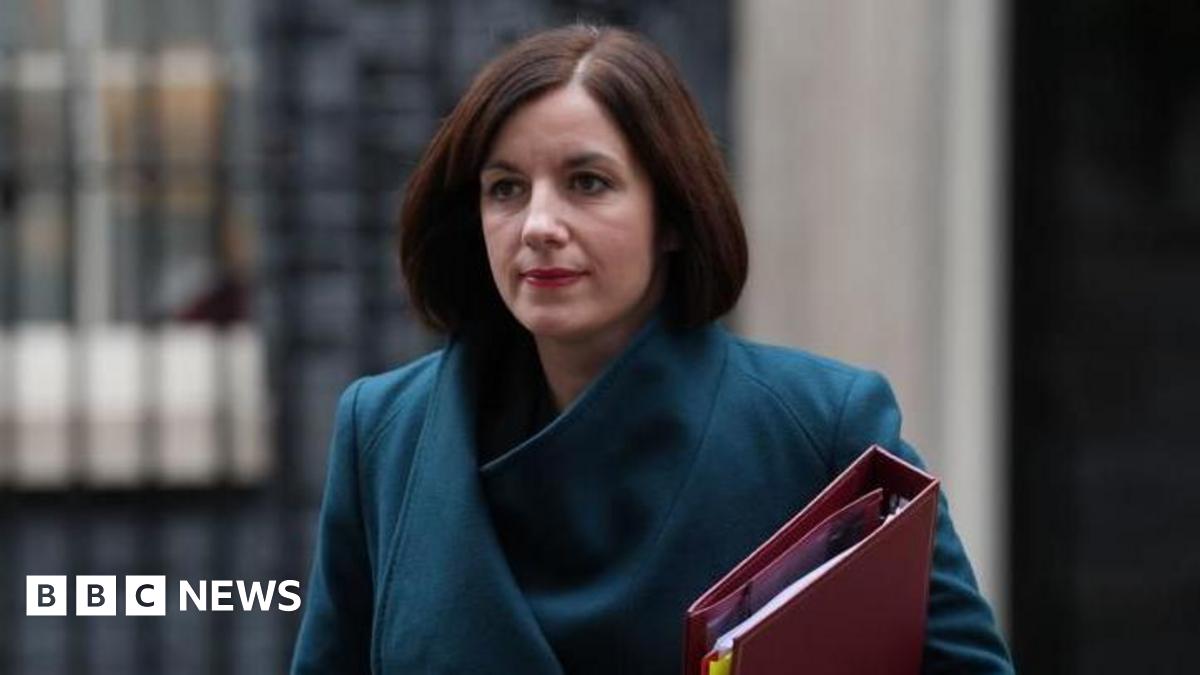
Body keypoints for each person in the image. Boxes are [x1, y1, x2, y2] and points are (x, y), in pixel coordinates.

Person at [290, 24, 1015, 674]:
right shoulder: (384, 433)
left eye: (588, 183)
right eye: (505, 188)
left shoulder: (822, 429)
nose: (538, 223)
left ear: (672, 214)